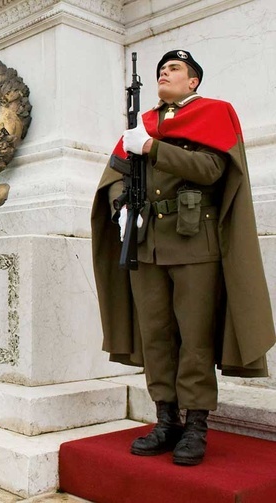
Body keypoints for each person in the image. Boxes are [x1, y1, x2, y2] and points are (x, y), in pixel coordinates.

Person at [91, 50, 276, 466]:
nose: (164, 73)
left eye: (174, 69)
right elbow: (117, 176)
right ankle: (165, 419)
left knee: (194, 337)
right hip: (146, 243)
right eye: (162, 69)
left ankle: (196, 424)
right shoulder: (144, 123)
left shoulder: (214, 113)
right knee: (155, 334)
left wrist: (153, 148)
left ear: (193, 81)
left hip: (195, 242)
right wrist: (121, 208)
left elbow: (211, 170)